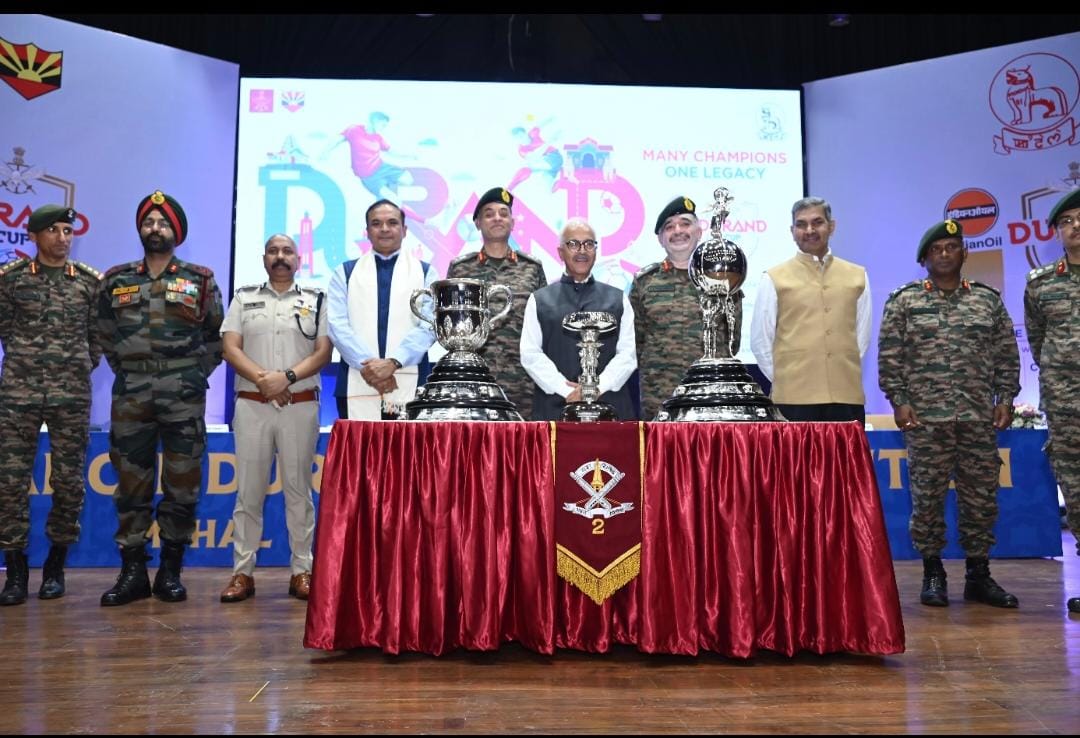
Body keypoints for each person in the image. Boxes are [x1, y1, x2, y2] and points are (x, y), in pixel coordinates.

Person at [879, 219, 1020, 609]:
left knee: (981, 499)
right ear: (924, 258)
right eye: (936, 249)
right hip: (926, 420)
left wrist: (1006, 397)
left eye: (952, 247)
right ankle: (933, 572)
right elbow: (891, 357)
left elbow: (1006, 354)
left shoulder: (986, 300)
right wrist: (898, 399)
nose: (944, 254)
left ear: (964, 254)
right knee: (927, 498)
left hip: (977, 417)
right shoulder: (905, 301)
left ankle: (978, 574)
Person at [97, 190, 224, 606]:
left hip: (182, 395)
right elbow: (102, 333)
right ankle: (132, 571)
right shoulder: (117, 279)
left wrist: (191, 375)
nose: (156, 229)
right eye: (149, 222)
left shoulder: (200, 278)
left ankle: (170, 569)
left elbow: (215, 337)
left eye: (163, 223)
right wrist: (131, 370)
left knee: (182, 483)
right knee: (131, 484)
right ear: (140, 229)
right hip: (131, 393)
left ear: (177, 231)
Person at [219, 234, 331, 603]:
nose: (280, 257)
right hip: (252, 405)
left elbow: (323, 352)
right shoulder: (244, 297)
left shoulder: (315, 300)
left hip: (299, 405)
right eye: (273, 251)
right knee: (248, 492)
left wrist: (287, 378)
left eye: (287, 252)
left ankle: (302, 570)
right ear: (264, 258)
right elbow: (230, 347)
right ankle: (242, 573)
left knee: (299, 491)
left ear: (299, 259)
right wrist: (266, 381)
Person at [0, 205, 102, 606]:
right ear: (35, 236)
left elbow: (97, 338)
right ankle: (16, 569)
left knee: (69, 482)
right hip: (19, 394)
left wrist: (75, 364)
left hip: (71, 394)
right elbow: (5, 329)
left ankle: (55, 566)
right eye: (54, 230)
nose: (62, 237)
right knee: (9, 482)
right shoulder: (11, 281)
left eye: (67, 230)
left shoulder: (88, 283)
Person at [750, 196, 871, 423]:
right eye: (801, 224)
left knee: (844, 460)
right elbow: (760, 341)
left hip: (846, 397)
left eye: (817, 222)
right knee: (794, 460)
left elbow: (861, 339)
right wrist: (786, 379)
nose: (809, 230)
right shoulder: (774, 277)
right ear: (792, 231)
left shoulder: (858, 276)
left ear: (831, 226)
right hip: (793, 400)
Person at [630, 196, 742, 421]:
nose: (677, 231)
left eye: (685, 223)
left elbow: (733, 339)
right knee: (659, 456)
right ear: (661, 239)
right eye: (669, 227)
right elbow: (636, 341)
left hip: (711, 393)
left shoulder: (723, 277)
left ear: (699, 232)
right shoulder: (645, 282)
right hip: (660, 397)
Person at [328, 199, 437, 420]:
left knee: (408, 453)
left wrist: (394, 362)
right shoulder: (345, 273)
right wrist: (371, 368)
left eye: (392, 222)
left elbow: (429, 325)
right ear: (367, 231)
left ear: (404, 230)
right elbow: (336, 325)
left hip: (411, 380)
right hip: (356, 379)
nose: (385, 229)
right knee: (360, 453)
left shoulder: (426, 273)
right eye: (376, 223)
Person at [1024, 188, 1080, 614]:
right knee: (1076, 490)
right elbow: (1040, 340)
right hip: (1067, 404)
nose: (1074, 227)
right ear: (1057, 232)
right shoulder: (1041, 284)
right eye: (1066, 222)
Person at [520, 219, 637, 420]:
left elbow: (628, 355)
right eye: (573, 244)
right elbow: (530, 354)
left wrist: (596, 388)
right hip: (555, 409)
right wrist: (566, 391)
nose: (581, 250)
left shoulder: (618, 299)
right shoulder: (539, 300)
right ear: (560, 252)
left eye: (589, 244)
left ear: (596, 250)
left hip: (611, 408)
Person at [446, 187, 547, 418]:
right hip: (473, 379)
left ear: (512, 222)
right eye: (489, 213)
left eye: (504, 213)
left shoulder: (532, 267)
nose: (497, 218)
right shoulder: (460, 268)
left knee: (522, 448)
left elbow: (542, 323)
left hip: (523, 380)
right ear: (478, 223)